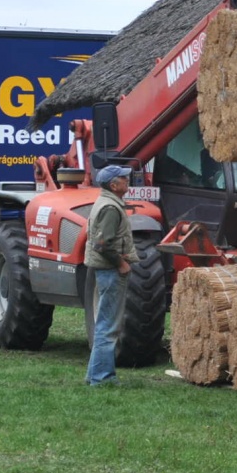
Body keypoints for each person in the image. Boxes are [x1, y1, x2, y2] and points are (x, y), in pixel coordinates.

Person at [84, 164, 140, 386]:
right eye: (124, 178)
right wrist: (121, 263)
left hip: (106, 270)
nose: (128, 181)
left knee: (105, 324)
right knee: (108, 326)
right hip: (110, 270)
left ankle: (94, 375)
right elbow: (102, 244)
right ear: (114, 185)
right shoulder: (110, 208)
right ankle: (102, 378)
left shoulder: (105, 202)